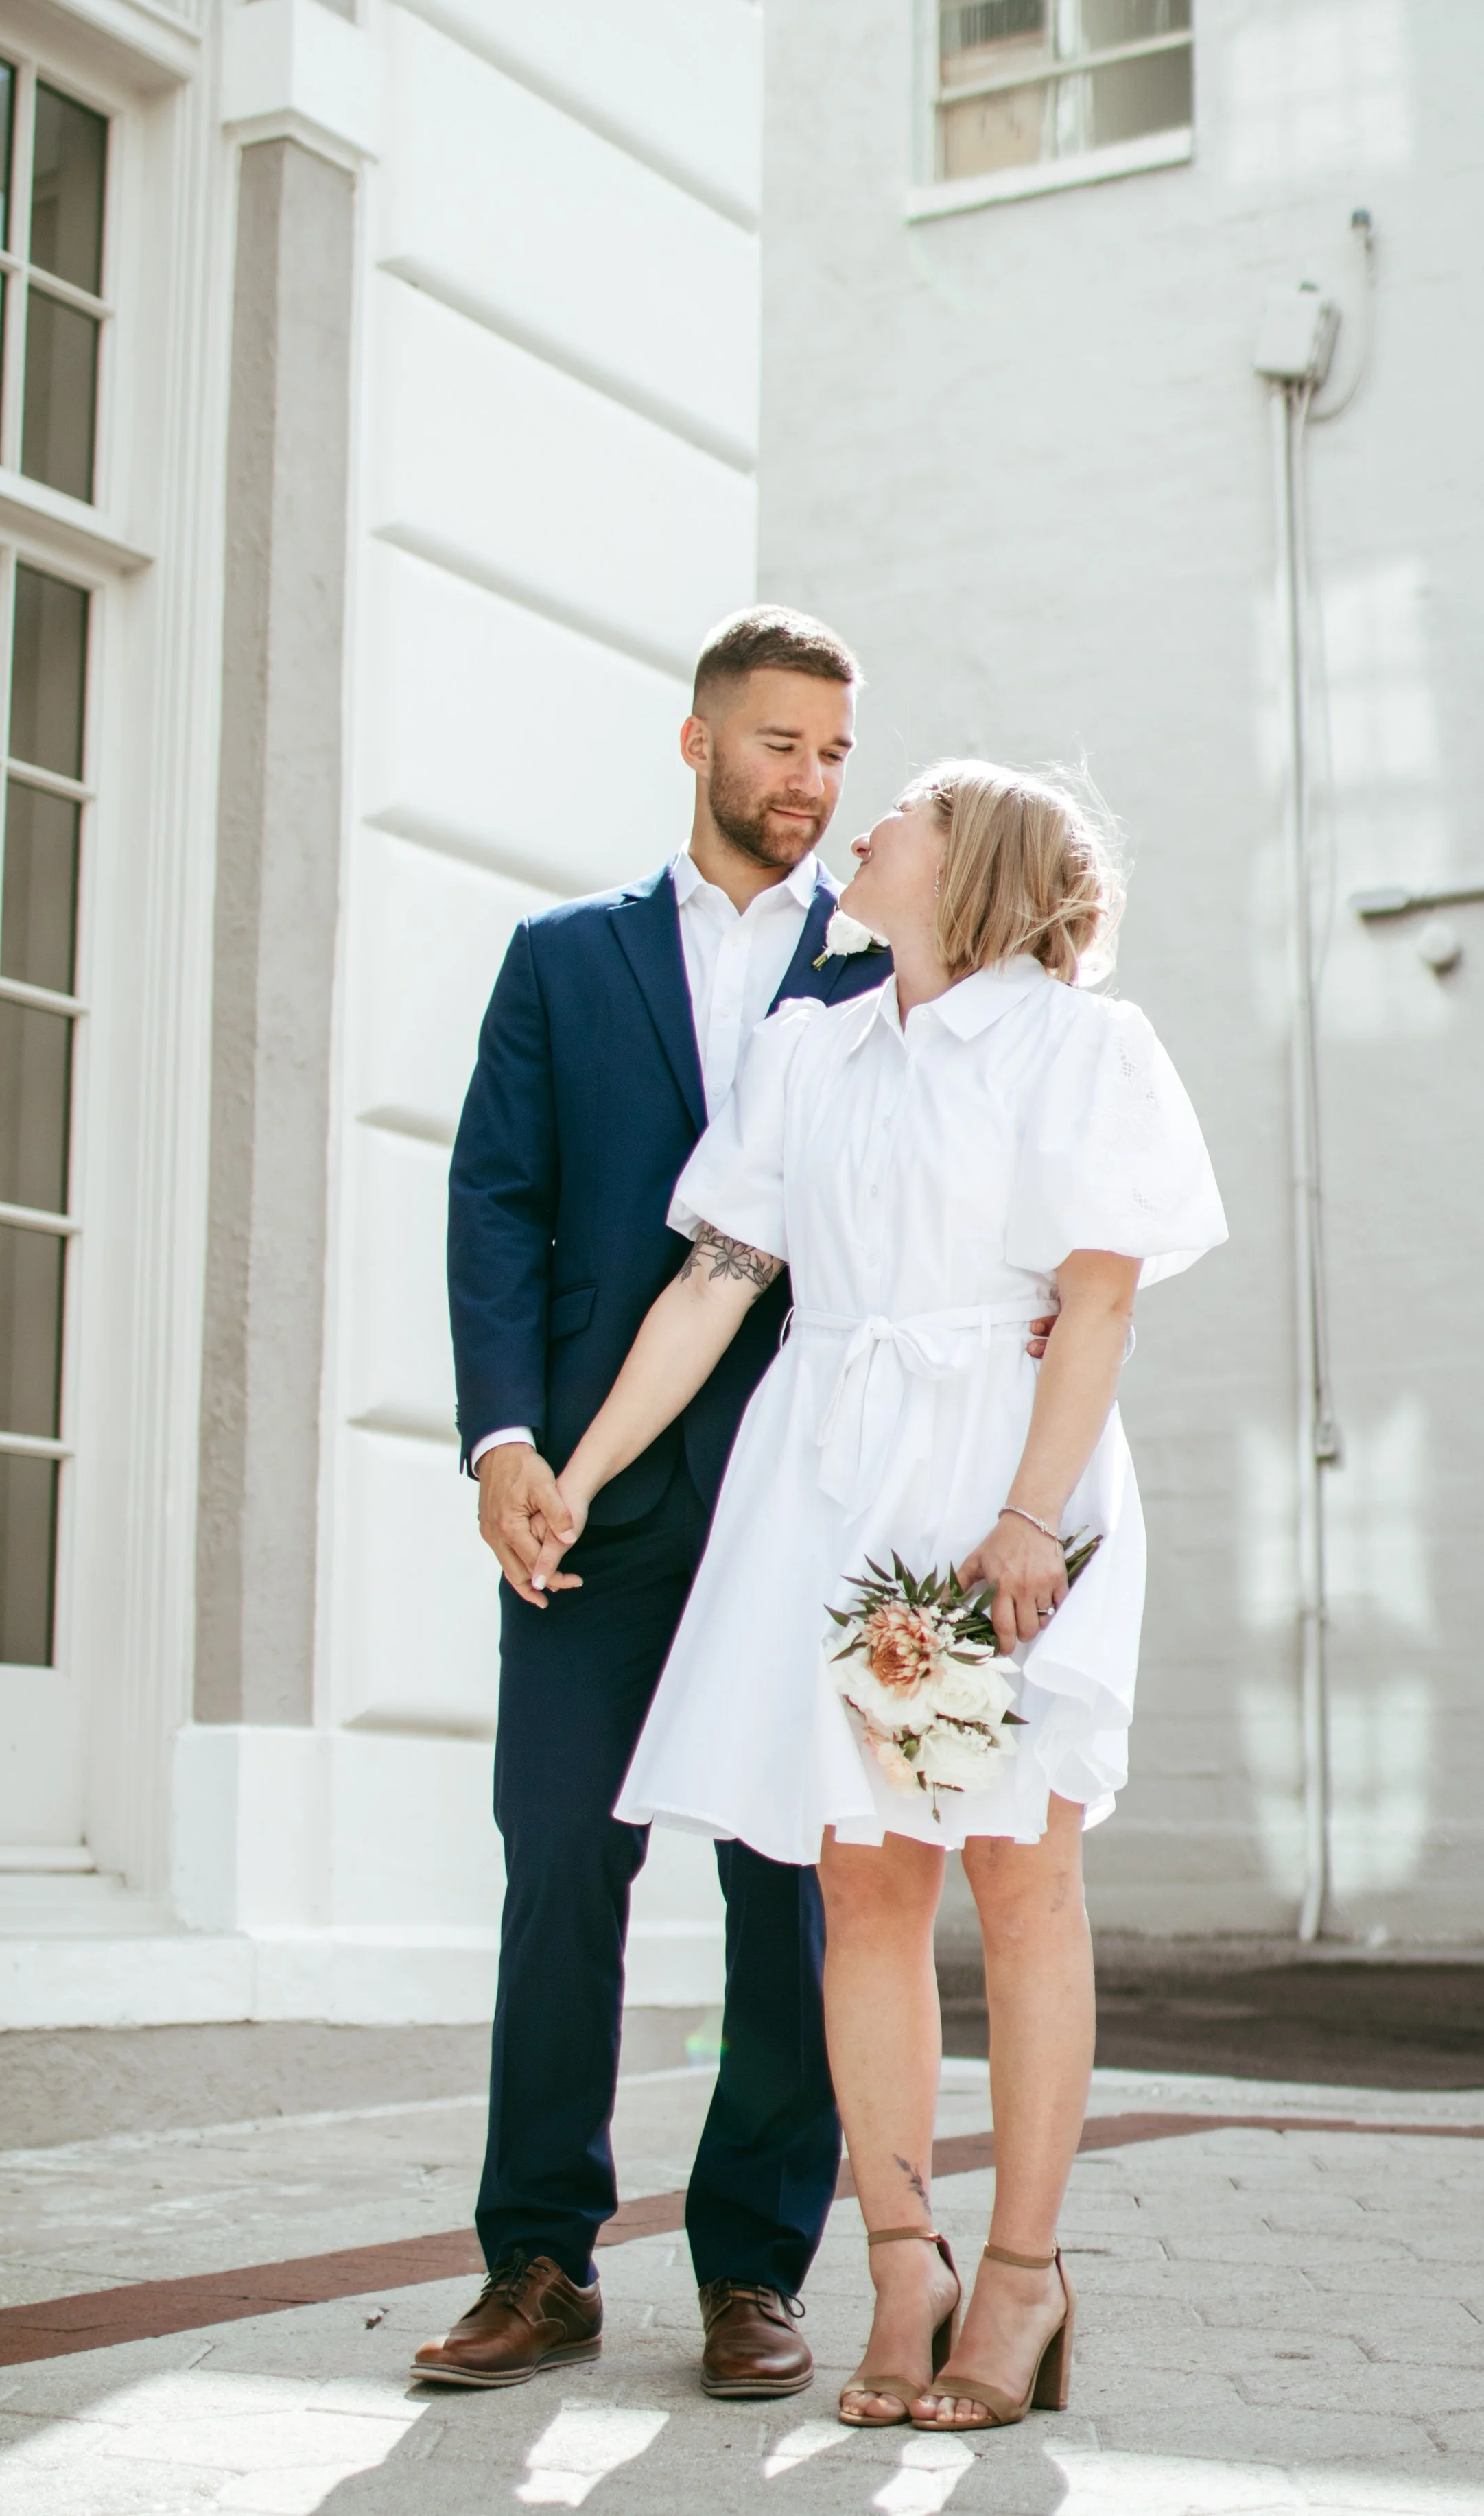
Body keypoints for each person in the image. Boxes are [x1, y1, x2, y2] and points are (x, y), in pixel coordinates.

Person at [533, 760, 1227, 2430]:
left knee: (1014, 1869)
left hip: (983, 1484)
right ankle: (903, 2260)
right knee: (863, 1884)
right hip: (830, 1488)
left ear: (973, 863)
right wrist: (587, 1468)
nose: (861, 834)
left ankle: (1022, 2275)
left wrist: (1023, 1516)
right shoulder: (810, 1045)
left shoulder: (1078, 1046)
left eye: (895, 813)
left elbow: (1099, 1302)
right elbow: (720, 1279)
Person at [416, 608, 906, 2399]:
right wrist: (504, 1442)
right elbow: (496, 1210)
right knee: (560, 1857)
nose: (811, 779)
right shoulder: (560, 959)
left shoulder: (884, 964)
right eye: (782, 742)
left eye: (836, 750)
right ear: (697, 742)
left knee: (786, 1875)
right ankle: (536, 2256)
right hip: (588, 1496)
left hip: (803, 1490)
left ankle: (753, 2269)